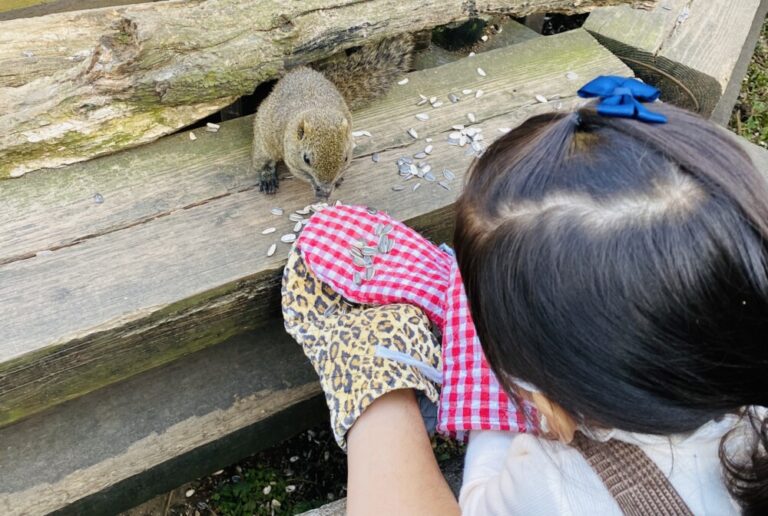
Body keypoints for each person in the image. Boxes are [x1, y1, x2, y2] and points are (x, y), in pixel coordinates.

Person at [282, 77, 767, 515]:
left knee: (379, 407)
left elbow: (478, 503)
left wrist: (396, 389)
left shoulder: (551, 486)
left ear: (550, 406)